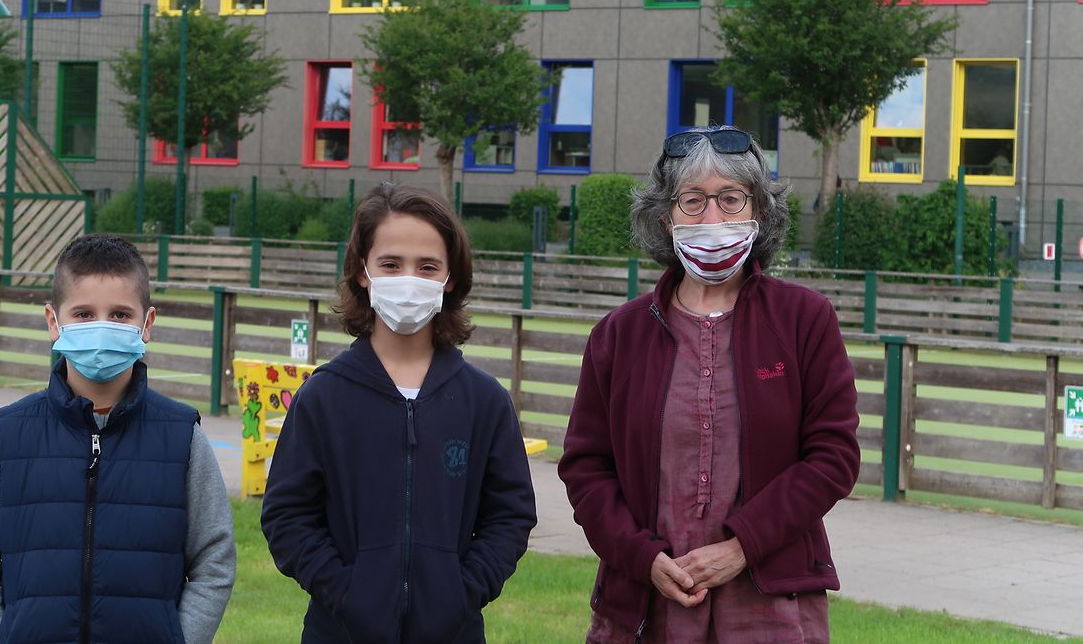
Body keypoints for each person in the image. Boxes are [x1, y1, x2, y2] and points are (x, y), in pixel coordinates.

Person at [558, 127, 859, 642]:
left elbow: (833, 457)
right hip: (646, 601)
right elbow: (586, 468)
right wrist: (643, 557)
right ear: (666, 216)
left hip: (771, 606)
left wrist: (739, 549)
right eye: (693, 201)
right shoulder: (618, 334)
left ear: (758, 212)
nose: (712, 219)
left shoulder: (804, 319)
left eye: (730, 199)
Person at [261, 182, 536, 644]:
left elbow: (509, 516)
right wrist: (346, 594)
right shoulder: (323, 397)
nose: (408, 278)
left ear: (450, 278)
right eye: (391, 263)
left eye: (427, 266)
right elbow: (287, 517)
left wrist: (462, 594)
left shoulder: (483, 401)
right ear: (363, 271)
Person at [0, 234, 236, 644]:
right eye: (83, 314)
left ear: (147, 324)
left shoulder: (183, 439)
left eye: (120, 315)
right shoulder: (8, 438)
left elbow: (215, 562)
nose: (101, 327)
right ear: (53, 321)